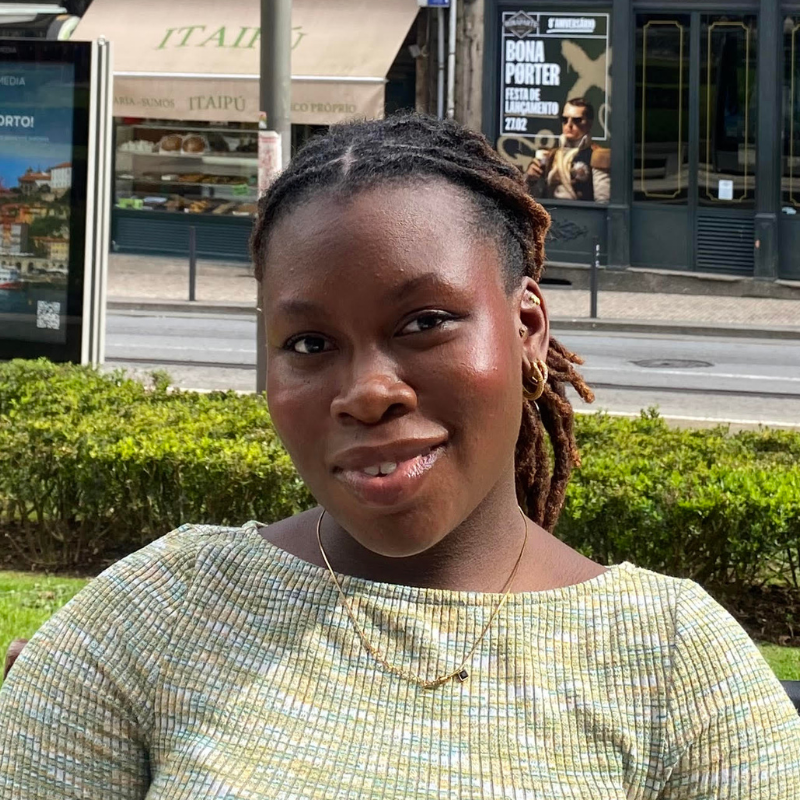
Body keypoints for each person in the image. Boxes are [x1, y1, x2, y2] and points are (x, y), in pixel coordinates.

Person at [1, 114, 798, 798]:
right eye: (309, 343)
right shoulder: (152, 617)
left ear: (527, 330)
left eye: (425, 322)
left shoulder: (674, 668)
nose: (367, 392)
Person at [526, 97, 611, 202]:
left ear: (589, 123)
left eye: (577, 120)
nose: (569, 125)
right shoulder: (551, 155)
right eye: (565, 120)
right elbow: (534, 197)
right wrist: (531, 180)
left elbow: (602, 200)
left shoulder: (596, 155)